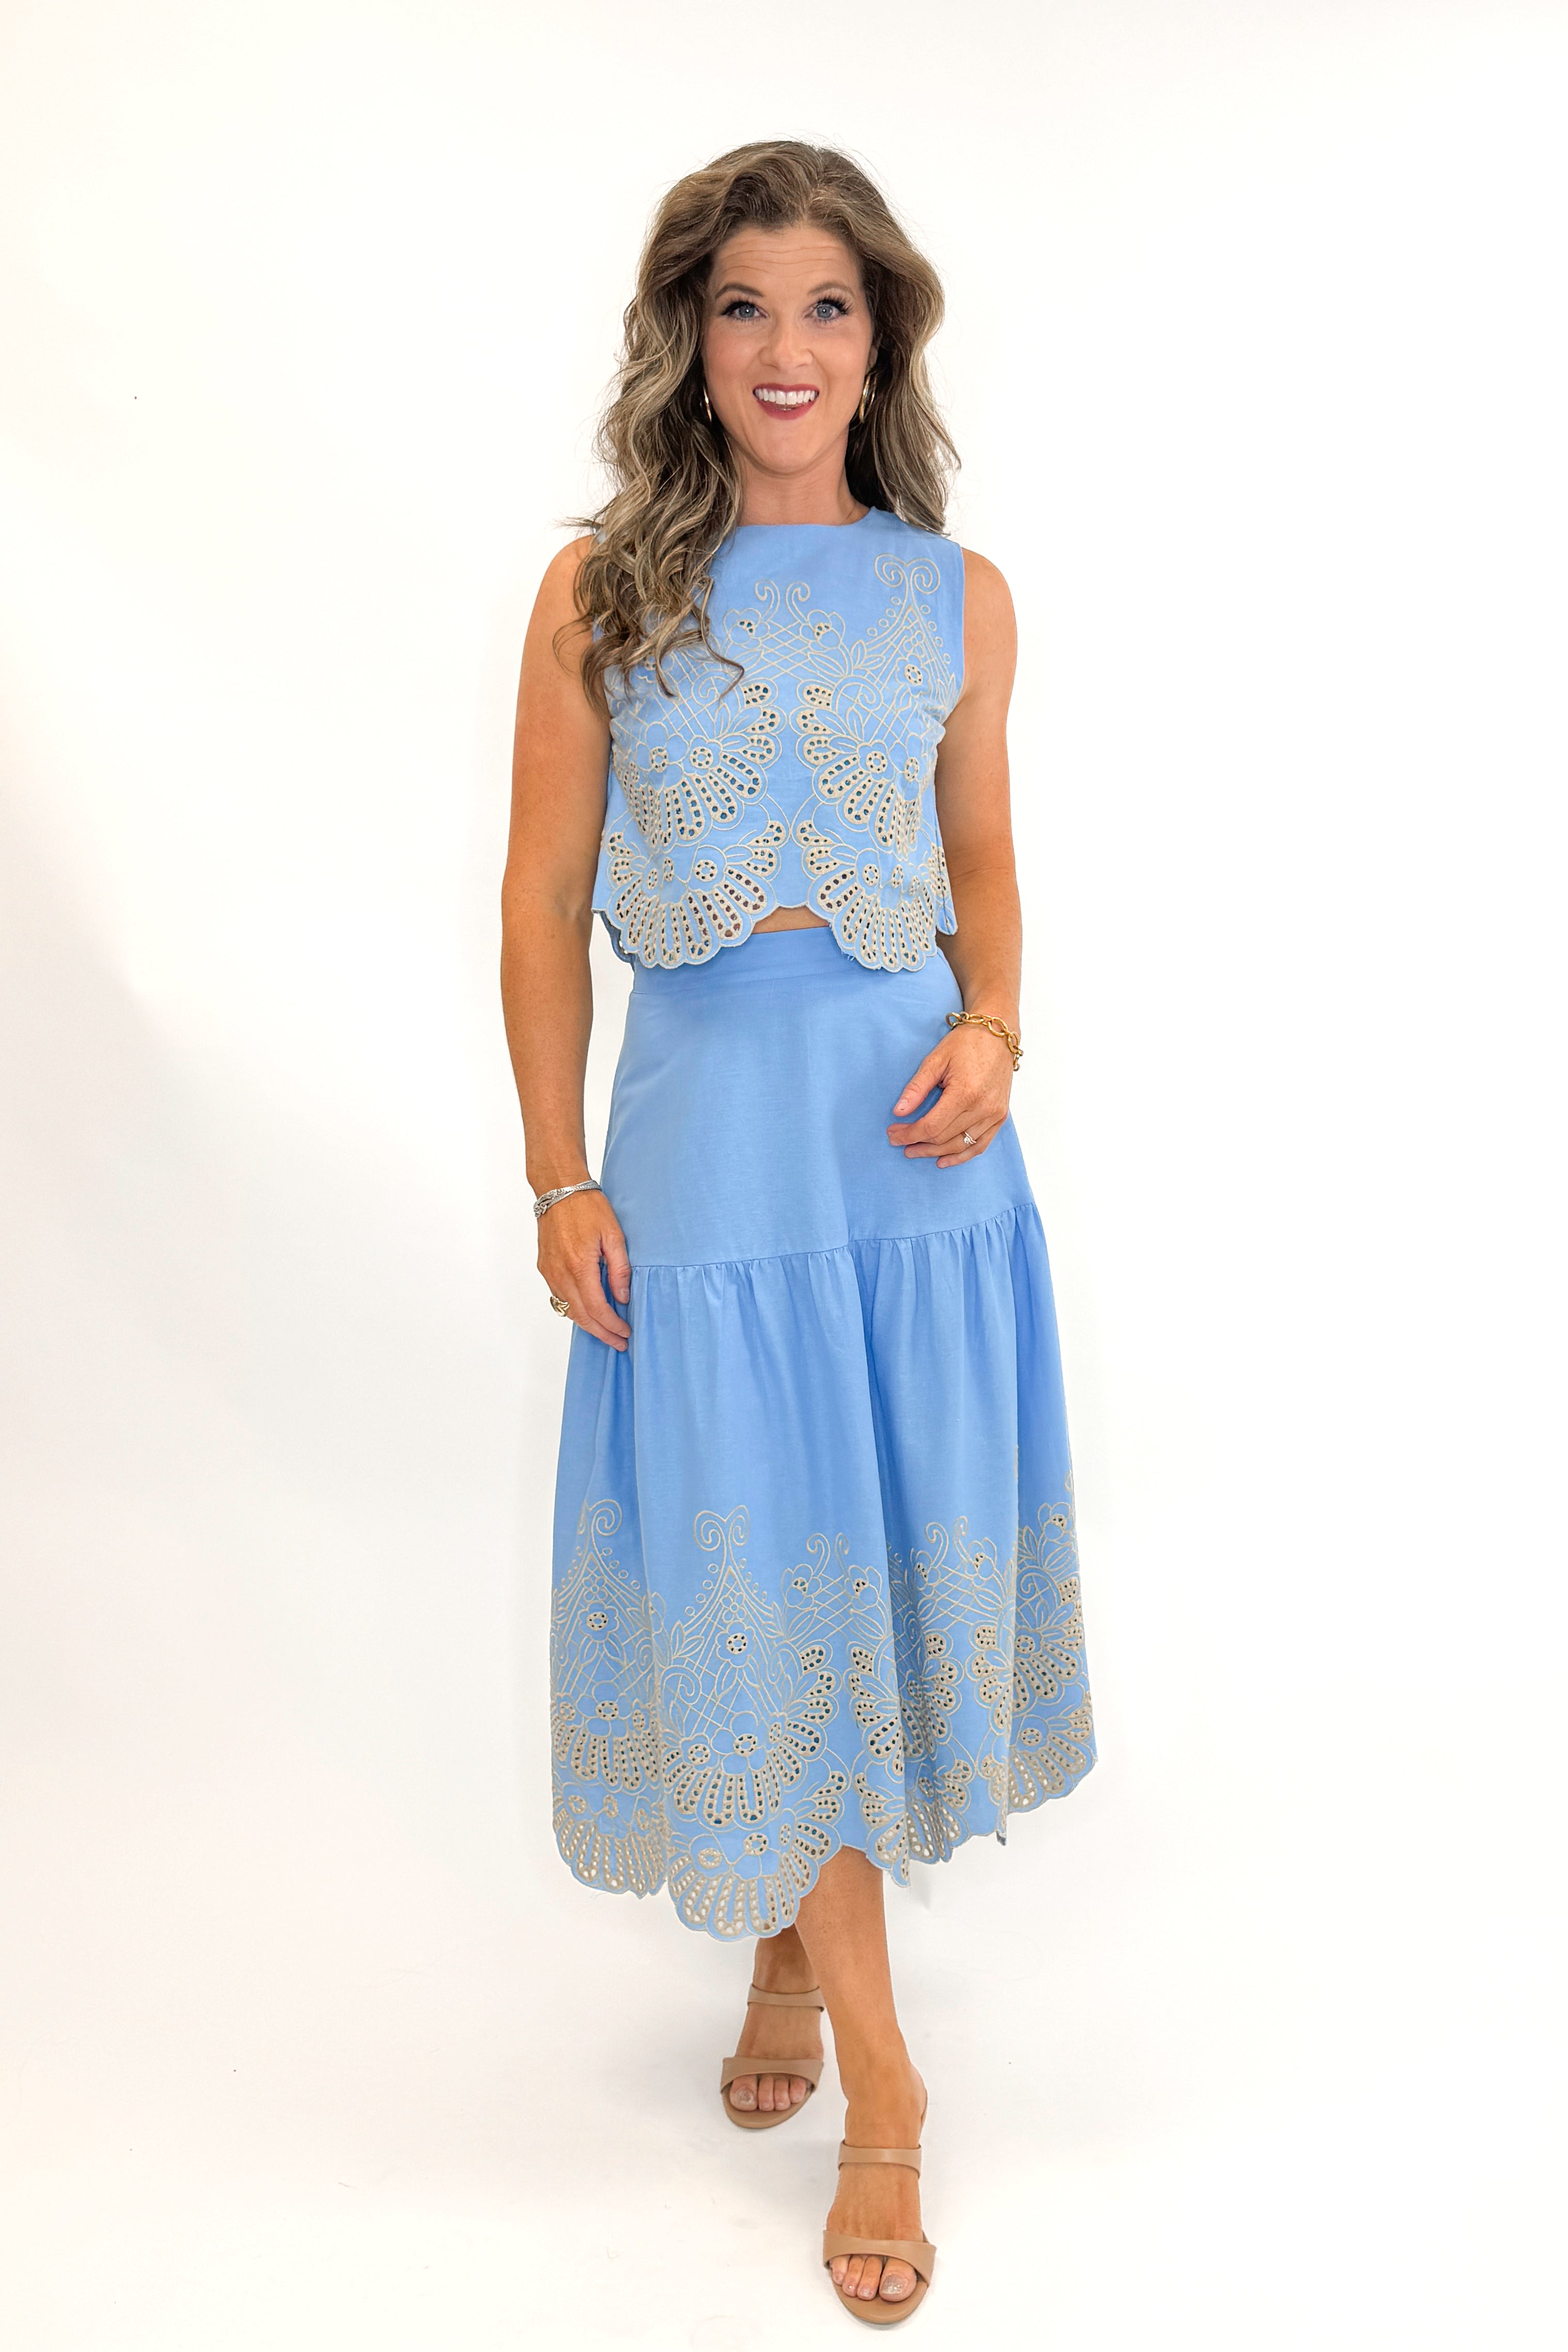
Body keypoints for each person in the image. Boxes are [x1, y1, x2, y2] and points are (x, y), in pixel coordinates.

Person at [501, 138, 1094, 2323]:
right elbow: (539, 905)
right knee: (773, 1582)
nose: (784, 348)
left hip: (917, 1160)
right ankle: (887, 2081)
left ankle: (778, 1956)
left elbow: (985, 859)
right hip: (712, 1154)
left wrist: (1004, 1027)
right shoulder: (599, 592)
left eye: (826, 306)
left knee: (864, 1569)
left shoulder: (959, 590)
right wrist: (560, 1173)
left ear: (882, 338)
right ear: (692, 334)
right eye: (744, 305)